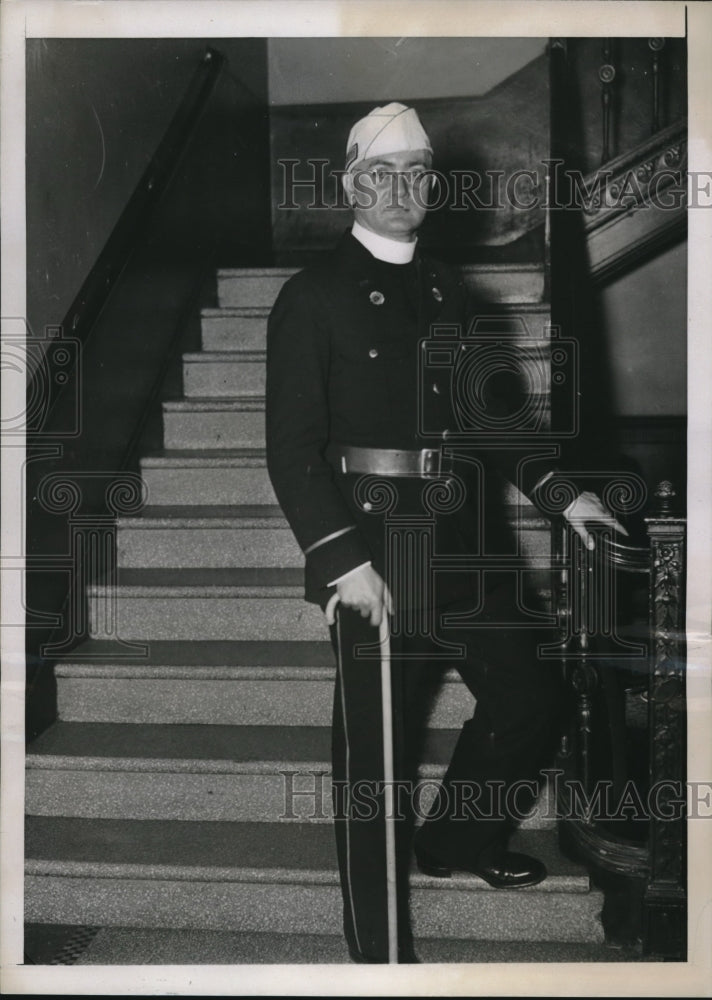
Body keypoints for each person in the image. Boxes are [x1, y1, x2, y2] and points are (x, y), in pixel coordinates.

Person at [265, 102, 625, 964]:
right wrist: (342, 560)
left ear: (433, 187)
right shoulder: (311, 296)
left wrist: (562, 494)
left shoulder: (445, 289)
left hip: (466, 549)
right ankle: (378, 955)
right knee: (374, 767)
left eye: (416, 174)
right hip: (374, 556)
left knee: (532, 699)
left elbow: (493, 418)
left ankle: (453, 843)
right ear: (352, 187)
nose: (401, 190)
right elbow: (290, 450)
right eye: (381, 175)